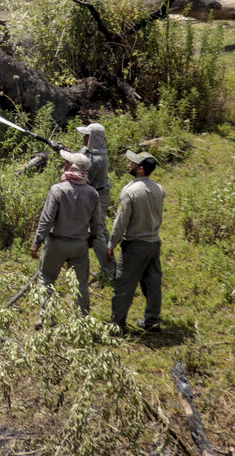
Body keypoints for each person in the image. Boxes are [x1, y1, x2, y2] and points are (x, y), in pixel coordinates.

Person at [30, 150, 104, 327]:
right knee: (80, 285)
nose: (64, 165)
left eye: (67, 163)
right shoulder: (92, 193)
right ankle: (82, 321)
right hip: (79, 245)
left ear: (71, 168)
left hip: (56, 243)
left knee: (47, 278)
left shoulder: (57, 190)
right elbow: (97, 223)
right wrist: (92, 238)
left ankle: (48, 318)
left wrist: (36, 242)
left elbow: (47, 220)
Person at [108, 151, 166, 335]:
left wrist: (111, 244)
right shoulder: (159, 189)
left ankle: (117, 324)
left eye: (133, 163)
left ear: (140, 169)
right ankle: (152, 321)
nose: (130, 165)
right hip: (153, 243)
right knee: (153, 284)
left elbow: (120, 222)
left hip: (134, 245)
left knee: (124, 284)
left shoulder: (130, 191)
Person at [77, 122, 116, 278]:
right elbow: (79, 156)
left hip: (99, 197)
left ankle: (108, 271)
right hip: (97, 195)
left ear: (95, 138)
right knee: (102, 229)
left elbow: (80, 165)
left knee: (97, 233)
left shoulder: (98, 158)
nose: (85, 137)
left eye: (88, 135)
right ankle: (112, 266)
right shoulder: (91, 152)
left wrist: (66, 156)